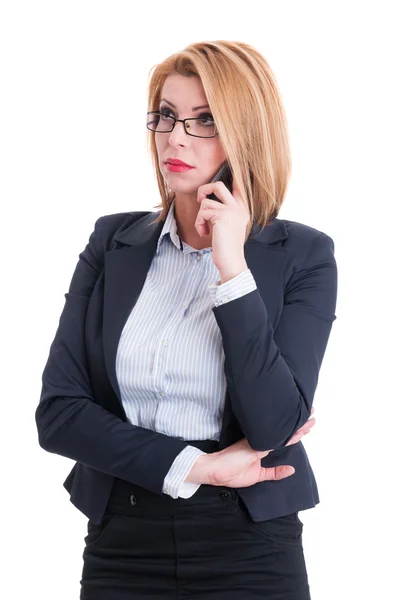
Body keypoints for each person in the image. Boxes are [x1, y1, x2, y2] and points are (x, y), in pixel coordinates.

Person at [35, 40, 338, 599]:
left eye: (205, 120)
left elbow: (274, 428)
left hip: (249, 543)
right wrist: (199, 467)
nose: (176, 136)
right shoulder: (112, 242)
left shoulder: (304, 255)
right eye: (168, 116)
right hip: (121, 540)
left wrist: (231, 268)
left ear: (247, 134)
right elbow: (59, 416)